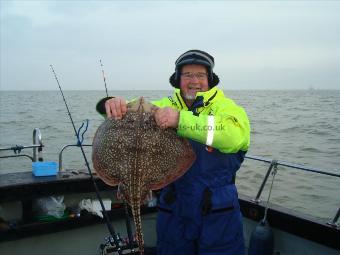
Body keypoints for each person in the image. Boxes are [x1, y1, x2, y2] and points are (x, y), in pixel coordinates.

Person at [97, 50, 250, 255]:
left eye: (200, 75)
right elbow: (127, 114)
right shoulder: (163, 106)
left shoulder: (227, 108)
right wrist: (111, 104)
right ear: (178, 79)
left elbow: (234, 136)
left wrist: (180, 120)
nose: (194, 80)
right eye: (187, 75)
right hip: (174, 209)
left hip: (217, 211)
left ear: (210, 79)